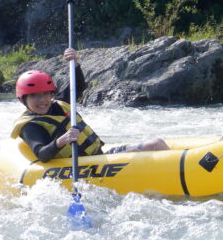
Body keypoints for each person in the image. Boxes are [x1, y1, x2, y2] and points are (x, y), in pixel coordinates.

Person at [12, 48, 168, 162]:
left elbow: (77, 86)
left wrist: (75, 63)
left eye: (46, 94)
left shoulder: (59, 104)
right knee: (138, 151)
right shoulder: (30, 126)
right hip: (82, 165)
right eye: (34, 96)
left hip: (98, 156)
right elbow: (42, 154)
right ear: (22, 99)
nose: (42, 100)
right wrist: (62, 140)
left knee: (157, 143)